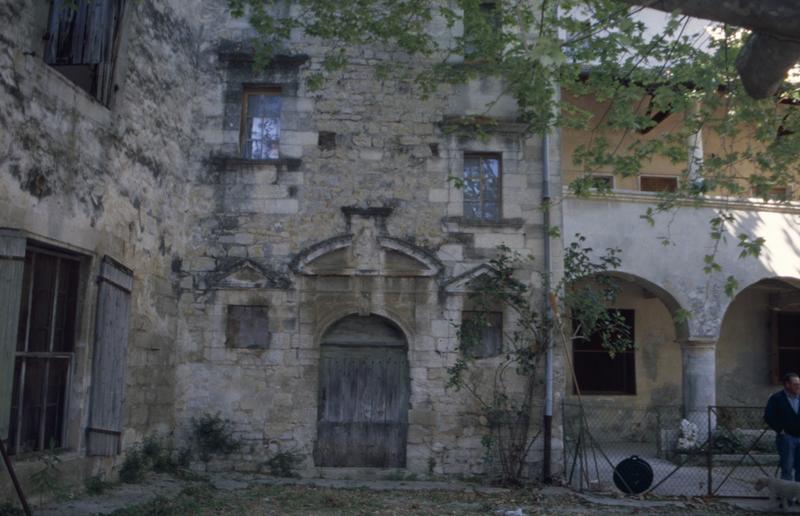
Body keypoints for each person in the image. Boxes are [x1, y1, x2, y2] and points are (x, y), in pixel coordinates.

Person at [765, 372, 800, 481]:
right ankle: (787, 495)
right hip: (787, 437)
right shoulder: (777, 398)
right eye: (795, 384)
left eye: (799, 384)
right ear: (787, 385)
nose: (798, 386)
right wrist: (780, 430)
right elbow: (769, 416)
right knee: (787, 467)